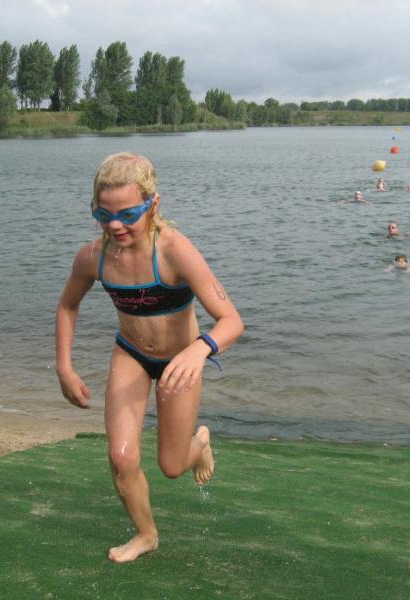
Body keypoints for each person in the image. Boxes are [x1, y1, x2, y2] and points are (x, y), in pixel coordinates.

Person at [55, 152, 244, 563]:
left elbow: (231, 321)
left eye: (128, 214)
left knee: (172, 467)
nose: (115, 225)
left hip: (181, 362)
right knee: (121, 457)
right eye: (103, 214)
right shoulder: (92, 257)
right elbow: (68, 306)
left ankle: (200, 442)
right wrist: (64, 367)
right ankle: (146, 535)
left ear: (153, 205)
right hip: (132, 354)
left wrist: (200, 349)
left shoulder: (175, 251)